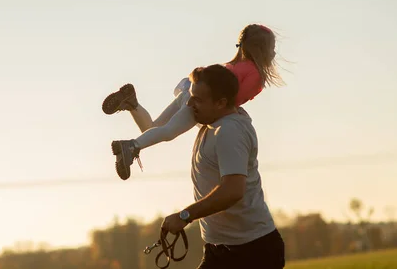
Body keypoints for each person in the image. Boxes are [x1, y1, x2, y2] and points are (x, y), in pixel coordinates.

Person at [159, 64, 295, 269]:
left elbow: (233, 190)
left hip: (255, 251)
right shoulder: (213, 121)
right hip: (219, 254)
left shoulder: (229, 131)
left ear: (221, 103)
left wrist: (185, 216)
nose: (189, 104)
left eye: (197, 99)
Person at [102, 24, 282, 180]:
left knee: (152, 130)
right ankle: (130, 146)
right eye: (272, 48)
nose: (274, 52)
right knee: (169, 132)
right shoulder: (256, 74)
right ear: (260, 49)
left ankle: (132, 103)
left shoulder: (232, 65)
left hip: (192, 90)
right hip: (203, 101)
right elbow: (230, 101)